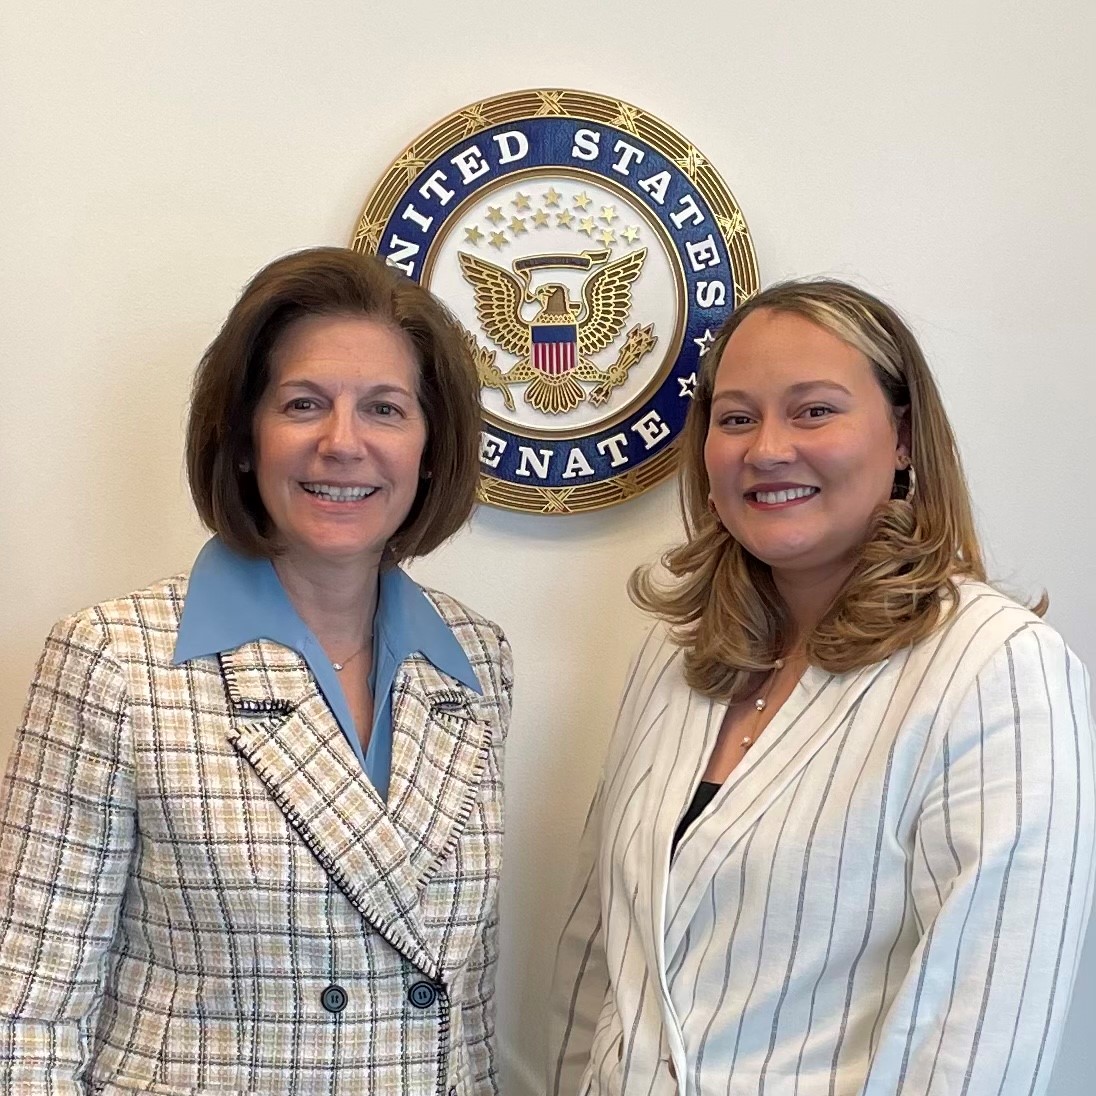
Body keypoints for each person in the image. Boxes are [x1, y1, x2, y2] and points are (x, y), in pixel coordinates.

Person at [547, 279, 1094, 1095]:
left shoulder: (996, 667)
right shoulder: (674, 658)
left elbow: (982, 1037)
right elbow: (603, 958)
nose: (767, 449)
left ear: (903, 438)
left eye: (813, 411)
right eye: (736, 419)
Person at [0, 247, 512, 1094]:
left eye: (385, 409)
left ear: (431, 447)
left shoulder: (476, 658)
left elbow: (464, 1003)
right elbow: (27, 1014)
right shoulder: (114, 658)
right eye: (304, 403)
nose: (342, 443)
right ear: (243, 438)